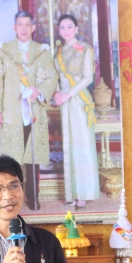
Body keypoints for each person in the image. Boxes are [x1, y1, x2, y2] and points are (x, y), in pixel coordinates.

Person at [0, 10, 59, 210]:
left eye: (28, 24)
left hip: (34, 111)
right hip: (11, 111)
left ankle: (33, 197)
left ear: (33, 27)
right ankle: (10, 198)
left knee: (33, 157)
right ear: (14, 27)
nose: (24, 28)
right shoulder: (4, 51)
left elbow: (52, 77)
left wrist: (39, 91)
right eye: (20, 24)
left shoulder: (42, 51)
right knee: (10, 158)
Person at [52, 14, 100, 211]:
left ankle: (84, 194)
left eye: (69, 26)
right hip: (64, 103)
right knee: (69, 146)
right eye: (62, 27)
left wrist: (68, 94)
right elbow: (57, 76)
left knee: (82, 146)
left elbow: (88, 78)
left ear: (76, 29)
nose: (66, 30)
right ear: (59, 30)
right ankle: (71, 193)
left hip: (79, 101)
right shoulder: (58, 52)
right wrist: (57, 92)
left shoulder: (85, 49)